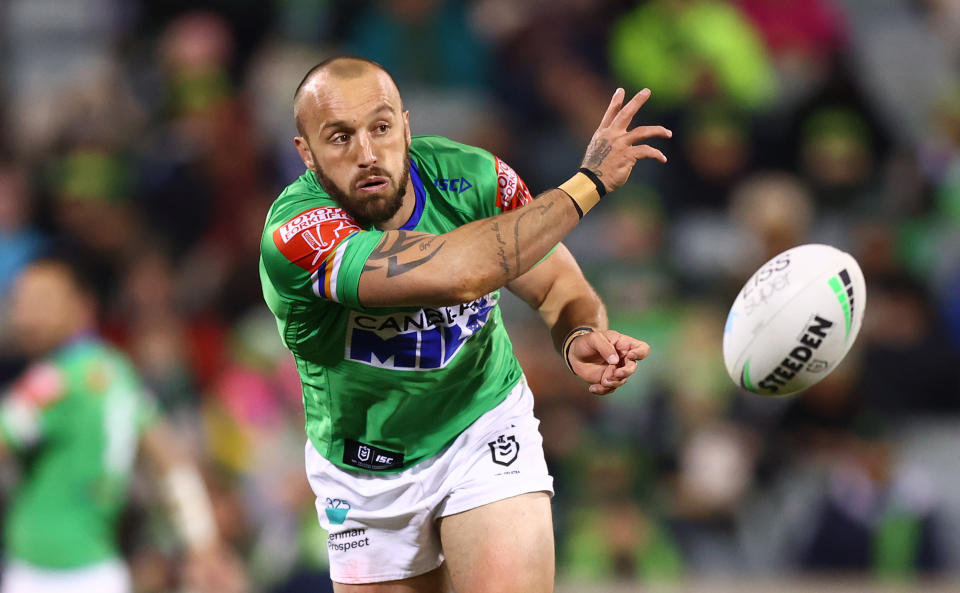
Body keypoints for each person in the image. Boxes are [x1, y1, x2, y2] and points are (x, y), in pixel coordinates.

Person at [259, 55, 671, 592]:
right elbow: (457, 272)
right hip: (365, 468)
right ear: (306, 154)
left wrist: (576, 333)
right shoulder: (296, 235)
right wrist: (588, 183)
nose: (366, 154)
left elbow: (554, 284)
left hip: (482, 425)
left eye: (381, 128)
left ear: (406, 126)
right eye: (339, 138)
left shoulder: (472, 177)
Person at [0, 256, 243, 593]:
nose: (25, 314)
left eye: (41, 300)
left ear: (81, 306)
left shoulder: (53, 381)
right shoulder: (117, 371)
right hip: (102, 572)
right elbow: (172, 462)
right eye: (21, 300)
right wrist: (202, 542)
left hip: (44, 573)